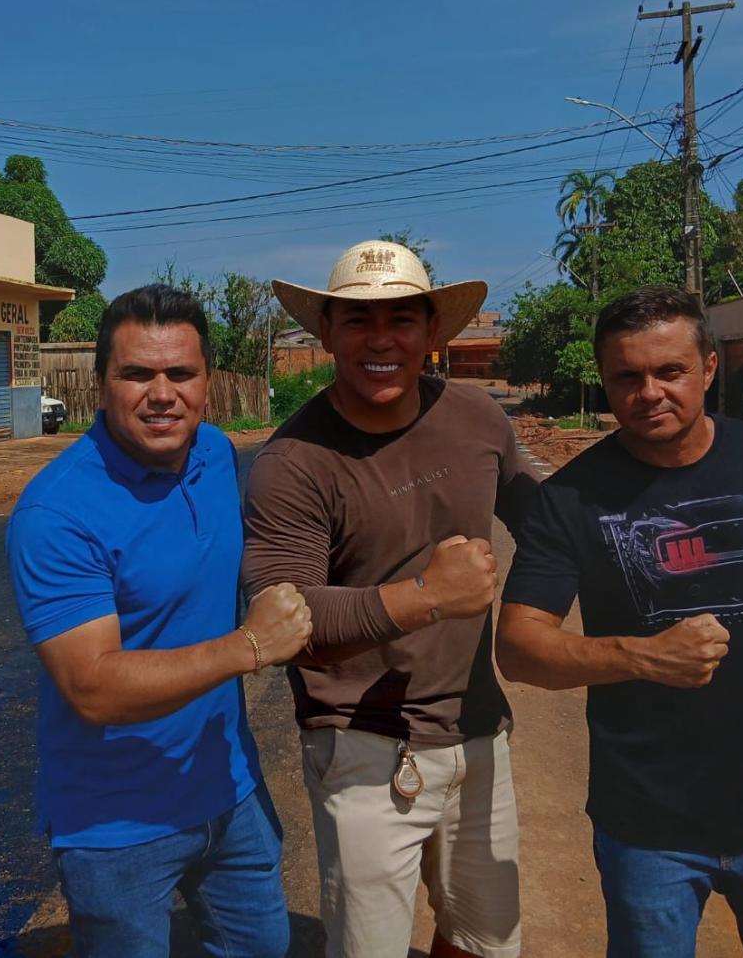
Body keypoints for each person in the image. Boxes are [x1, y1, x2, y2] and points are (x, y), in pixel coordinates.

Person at [497, 286, 743, 958]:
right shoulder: (568, 499)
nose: (649, 391)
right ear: (603, 380)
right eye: (627, 375)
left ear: (709, 368)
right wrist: (642, 657)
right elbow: (518, 645)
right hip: (646, 829)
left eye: (669, 371)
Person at [242, 240, 539, 958]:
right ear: (327, 333)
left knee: (485, 938)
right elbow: (291, 621)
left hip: (476, 728)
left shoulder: (478, 420)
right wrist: (427, 597)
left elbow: (550, 524)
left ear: (433, 333)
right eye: (358, 322)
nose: (381, 341)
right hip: (362, 742)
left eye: (402, 320)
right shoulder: (294, 462)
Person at [7, 284, 312, 958]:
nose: (162, 392)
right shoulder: (57, 512)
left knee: (262, 945)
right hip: (115, 822)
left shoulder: (214, 455)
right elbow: (94, 687)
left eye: (181, 372)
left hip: (228, 787)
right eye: (137, 373)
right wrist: (251, 644)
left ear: (207, 381)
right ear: (100, 384)